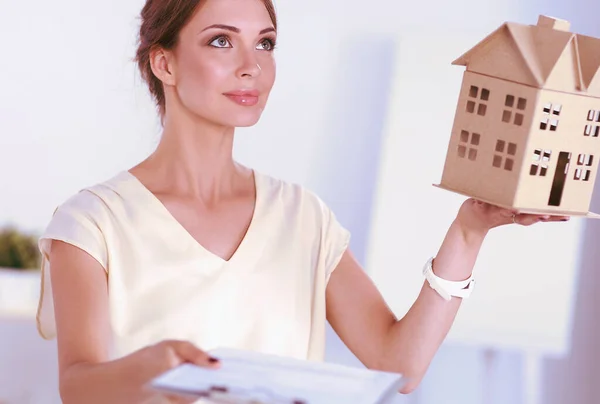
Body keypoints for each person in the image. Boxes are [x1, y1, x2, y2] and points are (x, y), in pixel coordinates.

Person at [35, 0, 569, 403]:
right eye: (221, 41)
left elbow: (399, 366)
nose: (252, 66)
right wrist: (156, 369)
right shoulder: (91, 222)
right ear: (164, 65)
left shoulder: (303, 217)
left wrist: (469, 229)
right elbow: (78, 386)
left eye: (265, 43)